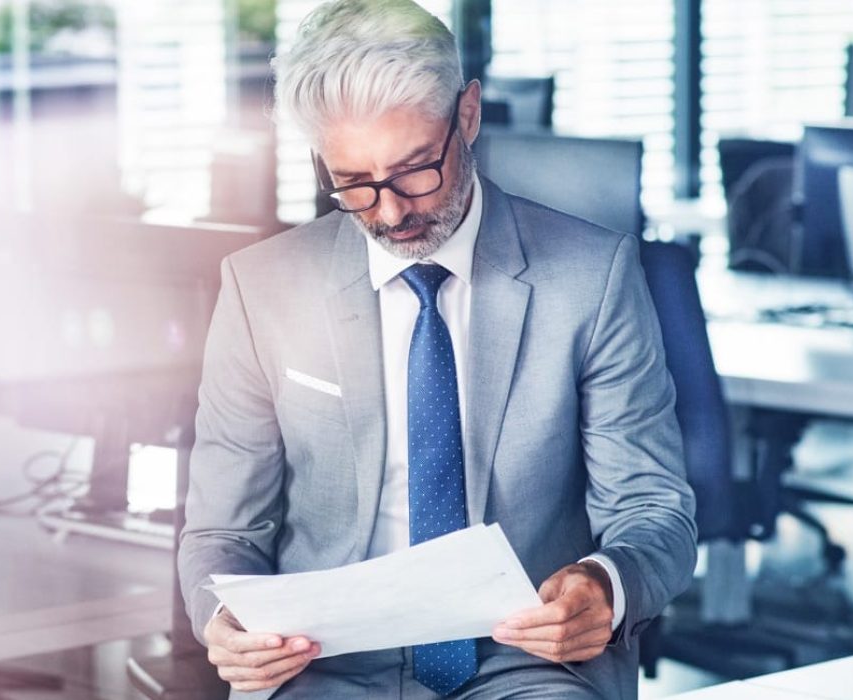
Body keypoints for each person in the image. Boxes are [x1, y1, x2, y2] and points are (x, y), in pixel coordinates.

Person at [177, 1, 697, 697]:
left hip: (525, 660)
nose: (390, 213)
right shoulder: (261, 287)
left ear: (469, 116)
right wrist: (224, 621)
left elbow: (651, 506)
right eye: (355, 185)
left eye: (416, 169)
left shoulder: (590, 277)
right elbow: (221, 530)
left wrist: (607, 585)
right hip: (319, 662)